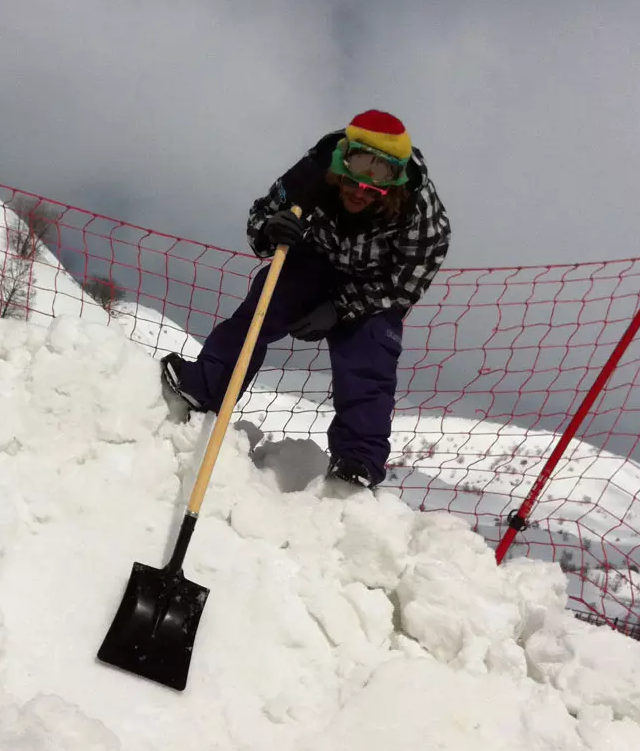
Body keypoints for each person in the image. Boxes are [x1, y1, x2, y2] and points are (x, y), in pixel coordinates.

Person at [161, 110, 451, 489]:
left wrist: (341, 307)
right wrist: (271, 229)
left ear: (392, 186)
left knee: (369, 359)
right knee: (263, 308)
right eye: (351, 182)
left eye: (374, 189)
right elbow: (262, 216)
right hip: (316, 259)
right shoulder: (315, 168)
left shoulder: (420, 211)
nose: (359, 194)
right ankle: (203, 389)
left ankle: (357, 462)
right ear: (339, 167)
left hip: (375, 288)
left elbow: (406, 283)